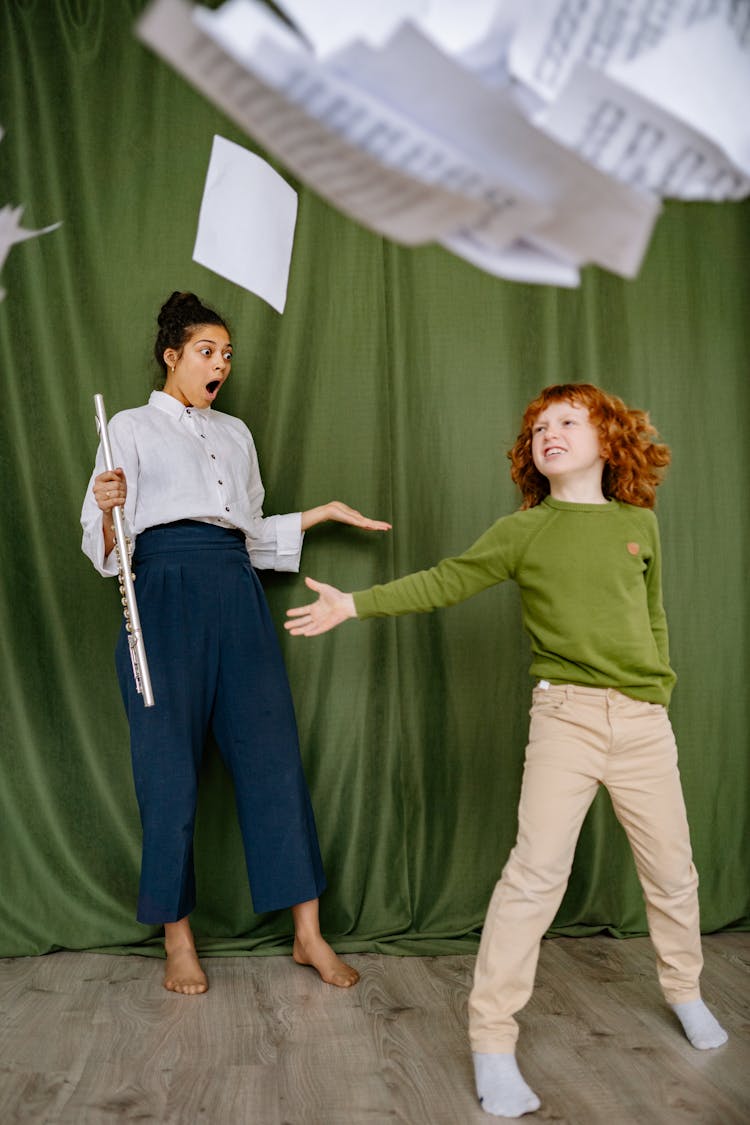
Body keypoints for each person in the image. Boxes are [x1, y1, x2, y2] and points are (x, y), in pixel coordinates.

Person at [285, 383, 728, 1118]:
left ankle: (684, 991)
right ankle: (493, 1041)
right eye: (537, 427)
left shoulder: (638, 525)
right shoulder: (523, 530)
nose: (548, 433)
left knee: (674, 873)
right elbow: (446, 580)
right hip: (566, 717)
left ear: (607, 439)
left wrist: (657, 695)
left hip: (644, 722)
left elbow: (653, 617)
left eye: (566, 421)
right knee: (533, 877)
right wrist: (353, 604)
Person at [81, 291, 390, 997]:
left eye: (227, 353)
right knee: (167, 770)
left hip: (235, 589)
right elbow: (107, 550)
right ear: (171, 354)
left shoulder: (238, 433)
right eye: (205, 350)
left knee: (273, 755)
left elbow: (249, 533)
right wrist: (106, 511)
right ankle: (178, 938)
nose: (220, 363)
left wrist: (322, 512)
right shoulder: (126, 428)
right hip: (161, 591)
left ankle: (308, 934)